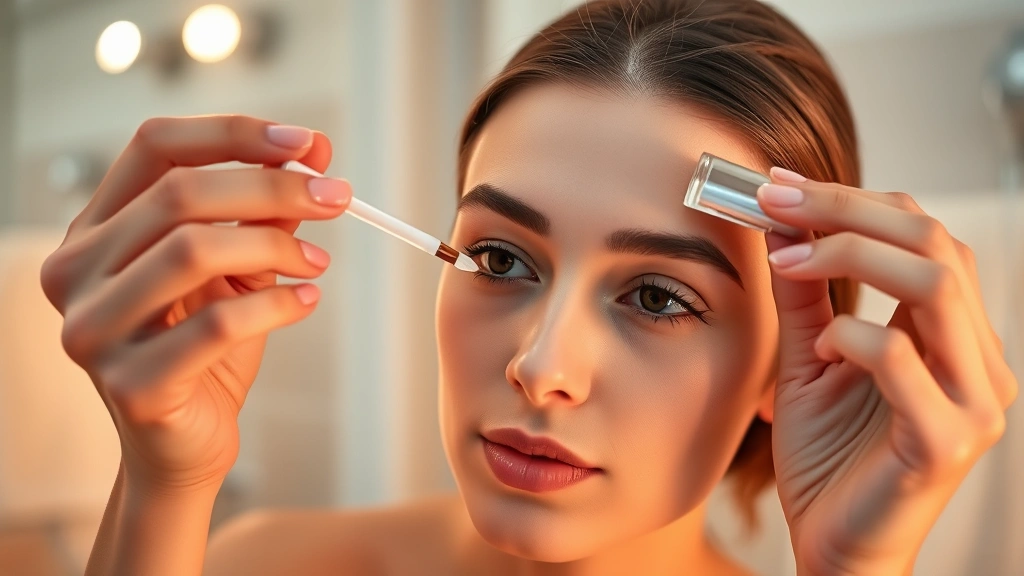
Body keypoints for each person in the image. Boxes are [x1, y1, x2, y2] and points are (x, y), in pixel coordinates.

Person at [41, 0, 1017, 574]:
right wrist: (165, 482)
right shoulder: (266, 561)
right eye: (500, 260)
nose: (540, 367)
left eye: (659, 297)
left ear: (791, 366)